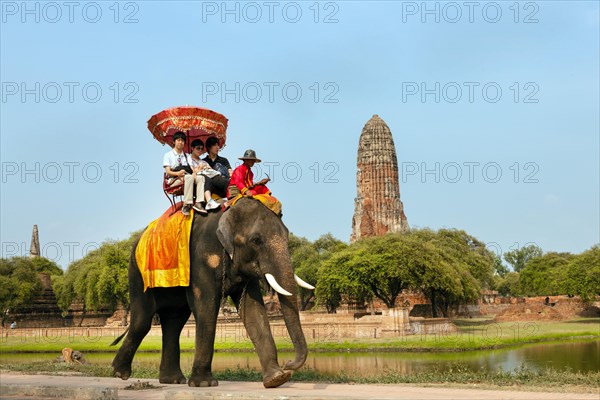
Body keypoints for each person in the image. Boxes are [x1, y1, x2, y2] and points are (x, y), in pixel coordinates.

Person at [162, 131, 204, 216]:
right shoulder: (168, 155)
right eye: (178, 140)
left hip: (187, 176)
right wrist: (178, 173)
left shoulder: (187, 156)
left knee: (201, 178)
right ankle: (186, 205)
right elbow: (168, 172)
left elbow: (192, 169)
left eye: (182, 140)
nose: (181, 142)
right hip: (174, 180)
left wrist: (198, 170)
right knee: (189, 178)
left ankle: (199, 202)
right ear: (174, 142)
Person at [188, 139, 221, 211]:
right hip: (195, 179)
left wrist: (205, 167)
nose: (200, 150)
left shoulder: (203, 161)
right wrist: (199, 169)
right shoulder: (188, 159)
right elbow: (191, 171)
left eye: (201, 149)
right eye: (198, 148)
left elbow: (210, 170)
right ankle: (209, 201)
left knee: (219, 179)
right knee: (206, 178)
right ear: (192, 148)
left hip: (207, 178)